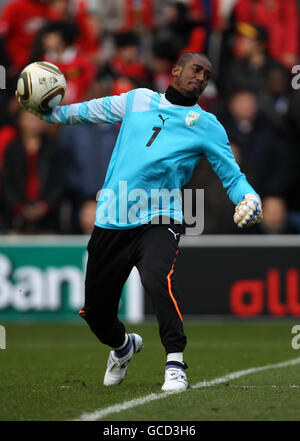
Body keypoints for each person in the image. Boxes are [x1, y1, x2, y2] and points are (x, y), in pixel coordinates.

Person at [16, 52, 263, 392]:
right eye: (196, 70)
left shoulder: (206, 125)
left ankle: (175, 362)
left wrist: (249, 198)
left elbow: (232, 176)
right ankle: (123, 346)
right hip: (113, 218)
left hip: (161, 217)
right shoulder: (137, 99)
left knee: (155, 276)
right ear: (175, 71)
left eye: (207, 75)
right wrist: (50, 112)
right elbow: (88, 111)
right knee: (98, 316)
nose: (202, 78)